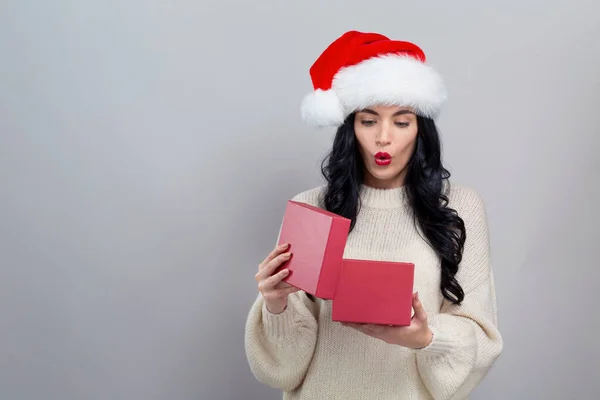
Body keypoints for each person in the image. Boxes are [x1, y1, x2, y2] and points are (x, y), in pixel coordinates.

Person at [244, 30, 503, 400]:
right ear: (350, 128)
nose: (384, 137)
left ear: (420, 130)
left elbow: (481, 338)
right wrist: (276, 304)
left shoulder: (459, 209)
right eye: (369, 121)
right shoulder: (313, 207)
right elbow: (283, 368)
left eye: (401, 121)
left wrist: (425, 338)